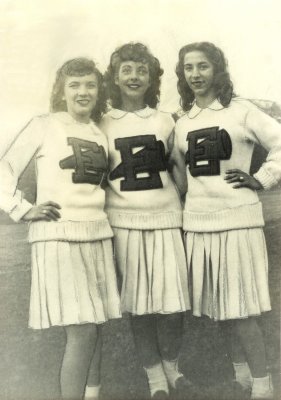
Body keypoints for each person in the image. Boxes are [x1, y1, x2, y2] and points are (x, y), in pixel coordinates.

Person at [0, 58, 121, 400]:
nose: (83, 92)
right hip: (58, 237)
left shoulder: (99, 132)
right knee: (81, 331)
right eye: (75, 85)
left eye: (90, 85)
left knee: (96, 324)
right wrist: (22, 209)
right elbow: (4, 168)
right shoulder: (43, 125)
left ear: (99, 91)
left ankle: (92, 395)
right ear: (62, 91)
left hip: (96, 234)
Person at [171, 41, 281, 399]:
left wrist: (261, 178)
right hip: (200, 225)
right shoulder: (183, 122)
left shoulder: (241, 110)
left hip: (238, 221)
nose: (196, 74)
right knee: (221, 309)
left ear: (217, 69)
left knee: (243, 310)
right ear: (182, 74)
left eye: (203, 66)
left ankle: (264, 386)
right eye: (189, 68)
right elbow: (181, 178)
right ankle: (242, 377)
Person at [100, 42, 191, 399]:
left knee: (172, 306)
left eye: (141, 70)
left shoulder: (165, 119)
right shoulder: (102, 123)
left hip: (166, 218)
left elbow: (181, 174)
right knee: (139, 306)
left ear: (152, 77)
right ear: (115, 77)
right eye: (126, 69)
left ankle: (173, 367)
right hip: (124, 223)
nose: (134, 76)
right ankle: (155, 379)